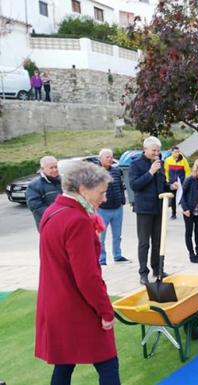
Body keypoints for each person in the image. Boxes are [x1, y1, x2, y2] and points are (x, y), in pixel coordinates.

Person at [35, 161, 121, 385]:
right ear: (83, 189)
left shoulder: (52, 211)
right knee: (108, 362)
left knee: (64, 363)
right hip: (77, 305)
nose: (104, 199)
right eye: (101, 193)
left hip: (55, 303)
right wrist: (105, 311)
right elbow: (88, 277)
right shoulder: (77, 221)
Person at [129, 136, 172, 285]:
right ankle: (143, 272)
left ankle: (158, 269)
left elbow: (162, 185)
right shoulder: (136, 165)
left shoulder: (160, 164)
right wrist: (150, 172)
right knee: (144, 242)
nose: (156, 153)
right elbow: (134, 185)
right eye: (154, 150)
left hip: (159, 208)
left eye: (158, 150)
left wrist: (170, 186)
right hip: (144, 209)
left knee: (158, 241)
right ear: (145, 149)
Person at [98, 148, 130, 265]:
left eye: (111, 157)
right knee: (101, 237)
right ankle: (101, 259)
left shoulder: (117, 171)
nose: (110, 159)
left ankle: (117, 255)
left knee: (117, 235)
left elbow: (121, 186)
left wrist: (122, 200)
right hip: (102, 209)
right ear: (100, 159)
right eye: (107, 157)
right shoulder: (96, 172)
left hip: (117, 208)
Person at [26, 156, 62, 230]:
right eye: (51, 168)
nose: (55, 170)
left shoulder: (64, 181)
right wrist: (56, 214)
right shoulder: (34, 185)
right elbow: (36, 207)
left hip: (64, 221)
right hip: (48, 225)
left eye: (56, 167)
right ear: (42, 169)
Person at [163, 146, 190, 219]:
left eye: (178, 152)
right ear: (172, 152)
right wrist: (168, 181)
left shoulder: (183, 160)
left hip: (182, 182)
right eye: (175, 152)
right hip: (172, 182)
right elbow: (166, 171)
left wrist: (186, 181)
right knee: (173, 198)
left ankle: (186, 211)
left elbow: (187, 171)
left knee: (183, 197)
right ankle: (173, 213)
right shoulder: (168, 160)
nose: (177, 153)